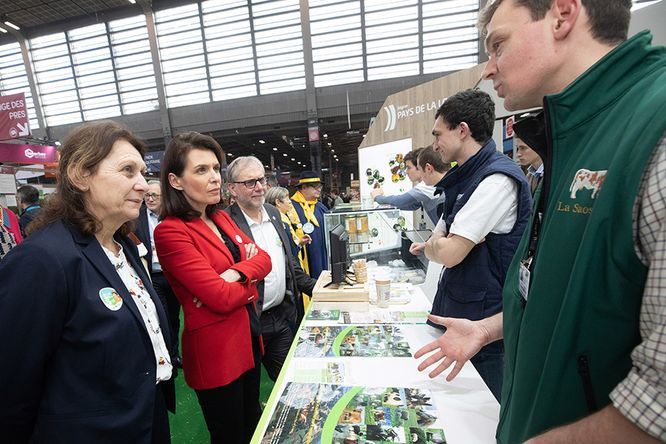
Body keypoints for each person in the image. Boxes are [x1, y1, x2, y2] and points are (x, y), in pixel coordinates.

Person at [418, 1, 666, 442]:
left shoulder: (653, 127)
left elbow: (658, 397)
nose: (489, 69)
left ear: (562, 14)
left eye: (499, 45)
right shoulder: (579, 135)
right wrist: (492, 327)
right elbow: (572, 299)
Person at [0, 121, 175, 443]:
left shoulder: (123, 246)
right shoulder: (41, 261)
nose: (143, 184)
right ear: (80, 175)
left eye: (141, 172)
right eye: (127, 170)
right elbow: (12, 382)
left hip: (145, 416)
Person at [154, 132, 271, 444]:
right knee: (229, 435)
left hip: (248, 338)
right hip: (216, 354)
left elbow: (265, 259)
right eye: (201, 170)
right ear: (176, 181)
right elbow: (217, 297)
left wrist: (234, 273)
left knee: (252, 426)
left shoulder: (220, 217)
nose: (214, 178)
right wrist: (249, 281)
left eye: (216, 168)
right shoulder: (171, 232)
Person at [421, 89, 532, 401]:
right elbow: (437, 243)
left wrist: (440, 245)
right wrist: (438, 244)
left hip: (485, 331)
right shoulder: (468, 178)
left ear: (462, 130)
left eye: (438, 134)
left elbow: (450, 254)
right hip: (464, 319)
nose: (435, 144)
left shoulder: (495, 181)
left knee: (485, 415)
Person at [225, 156, 316, 381]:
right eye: (250, 182)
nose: (259, 187)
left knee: (289, 383)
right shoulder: (224, 223)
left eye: (262, 180)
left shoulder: (274, 213)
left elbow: (289, 264)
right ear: (232, 189)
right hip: (248, 325)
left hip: (281, 317)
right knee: (248, 395)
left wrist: (319, 289)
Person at [135, 179, 182, 368]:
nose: (150, 199)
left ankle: (174, 353)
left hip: (173, 276)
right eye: (147, 195)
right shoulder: (136, 219)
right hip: (151, 276)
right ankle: (165, 356)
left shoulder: (174, 218)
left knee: (173, 316)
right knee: (160, 315)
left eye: (155, 195)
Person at [371, 147, 445, 226]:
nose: (406, 172)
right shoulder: (426, 186)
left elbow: (399, 200)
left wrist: (377, 197)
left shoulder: (426, 186)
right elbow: (413, 205)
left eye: (409, 168)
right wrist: (385, 205)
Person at [408, 147, 451, 257]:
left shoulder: (446, 198)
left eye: (419, 169)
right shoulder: (447, 191)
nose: (420, 176)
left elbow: (452, 242)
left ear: (428, 168)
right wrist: (427, 244)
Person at [291, 171, 328, 279]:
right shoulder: (291, 207)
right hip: (304, 254)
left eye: (319, 186)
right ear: (303, 187)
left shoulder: (321, 207)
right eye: (315, 186)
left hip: (321, 253)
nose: (319, 189)